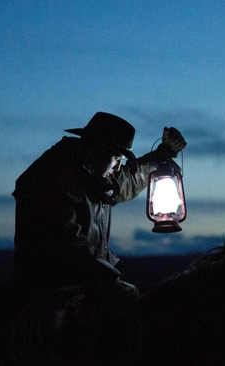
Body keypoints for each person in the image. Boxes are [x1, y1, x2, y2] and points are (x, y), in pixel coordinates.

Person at [11, 112, 186, 302]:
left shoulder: (93, 176)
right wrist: (110, 280)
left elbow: (128, 180)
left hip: (84, 282)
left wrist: (162, 155)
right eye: (117, 159)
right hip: (51, 290)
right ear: (97, 149)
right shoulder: (53, 178)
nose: (119, 167)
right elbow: (66, 242)